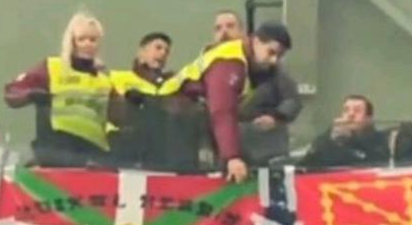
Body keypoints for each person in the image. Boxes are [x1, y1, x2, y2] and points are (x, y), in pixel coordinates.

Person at [160, 21, 293, 182]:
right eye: (271, 52)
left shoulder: (242, 59)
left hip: (177, 116)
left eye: (279, 56)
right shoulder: (230, 63)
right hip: (171, 118)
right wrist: (232, 157)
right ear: (256, 42)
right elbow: (222, 111)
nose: (274, 60)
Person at [5, 10, 116, 167]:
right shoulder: (52, 67)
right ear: (71, 41)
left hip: (92, 157)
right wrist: (32, 94)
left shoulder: (104, 80)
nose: (88, 44)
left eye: (93, 39)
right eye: (82, 39)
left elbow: (118, 117)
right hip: (56, 153)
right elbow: (13, 93)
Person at [209, 11, 303, 166]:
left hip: (266, 151)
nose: (224, 32)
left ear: (244, 33)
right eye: (218, 28)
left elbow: (292, 99)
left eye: (230, 26)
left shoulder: (272, 67)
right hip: (226, 150)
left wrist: (276, 117)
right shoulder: (212, 67)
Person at [110, 32, 199, 170]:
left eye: (166, 51)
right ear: (142, 52)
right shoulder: (118, 77)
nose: (163, 53)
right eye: (158, 48)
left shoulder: (171, 84)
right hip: (124, 150)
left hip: (162, 155)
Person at [301, 95, 389, 168]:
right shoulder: (327, 138)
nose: (350, 114)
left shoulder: (378, 140)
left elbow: (374, 162)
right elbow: (307, 163)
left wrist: (350, 140)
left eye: (357, 110)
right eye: (346, 110)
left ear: (368, 119)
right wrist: (333, 141)